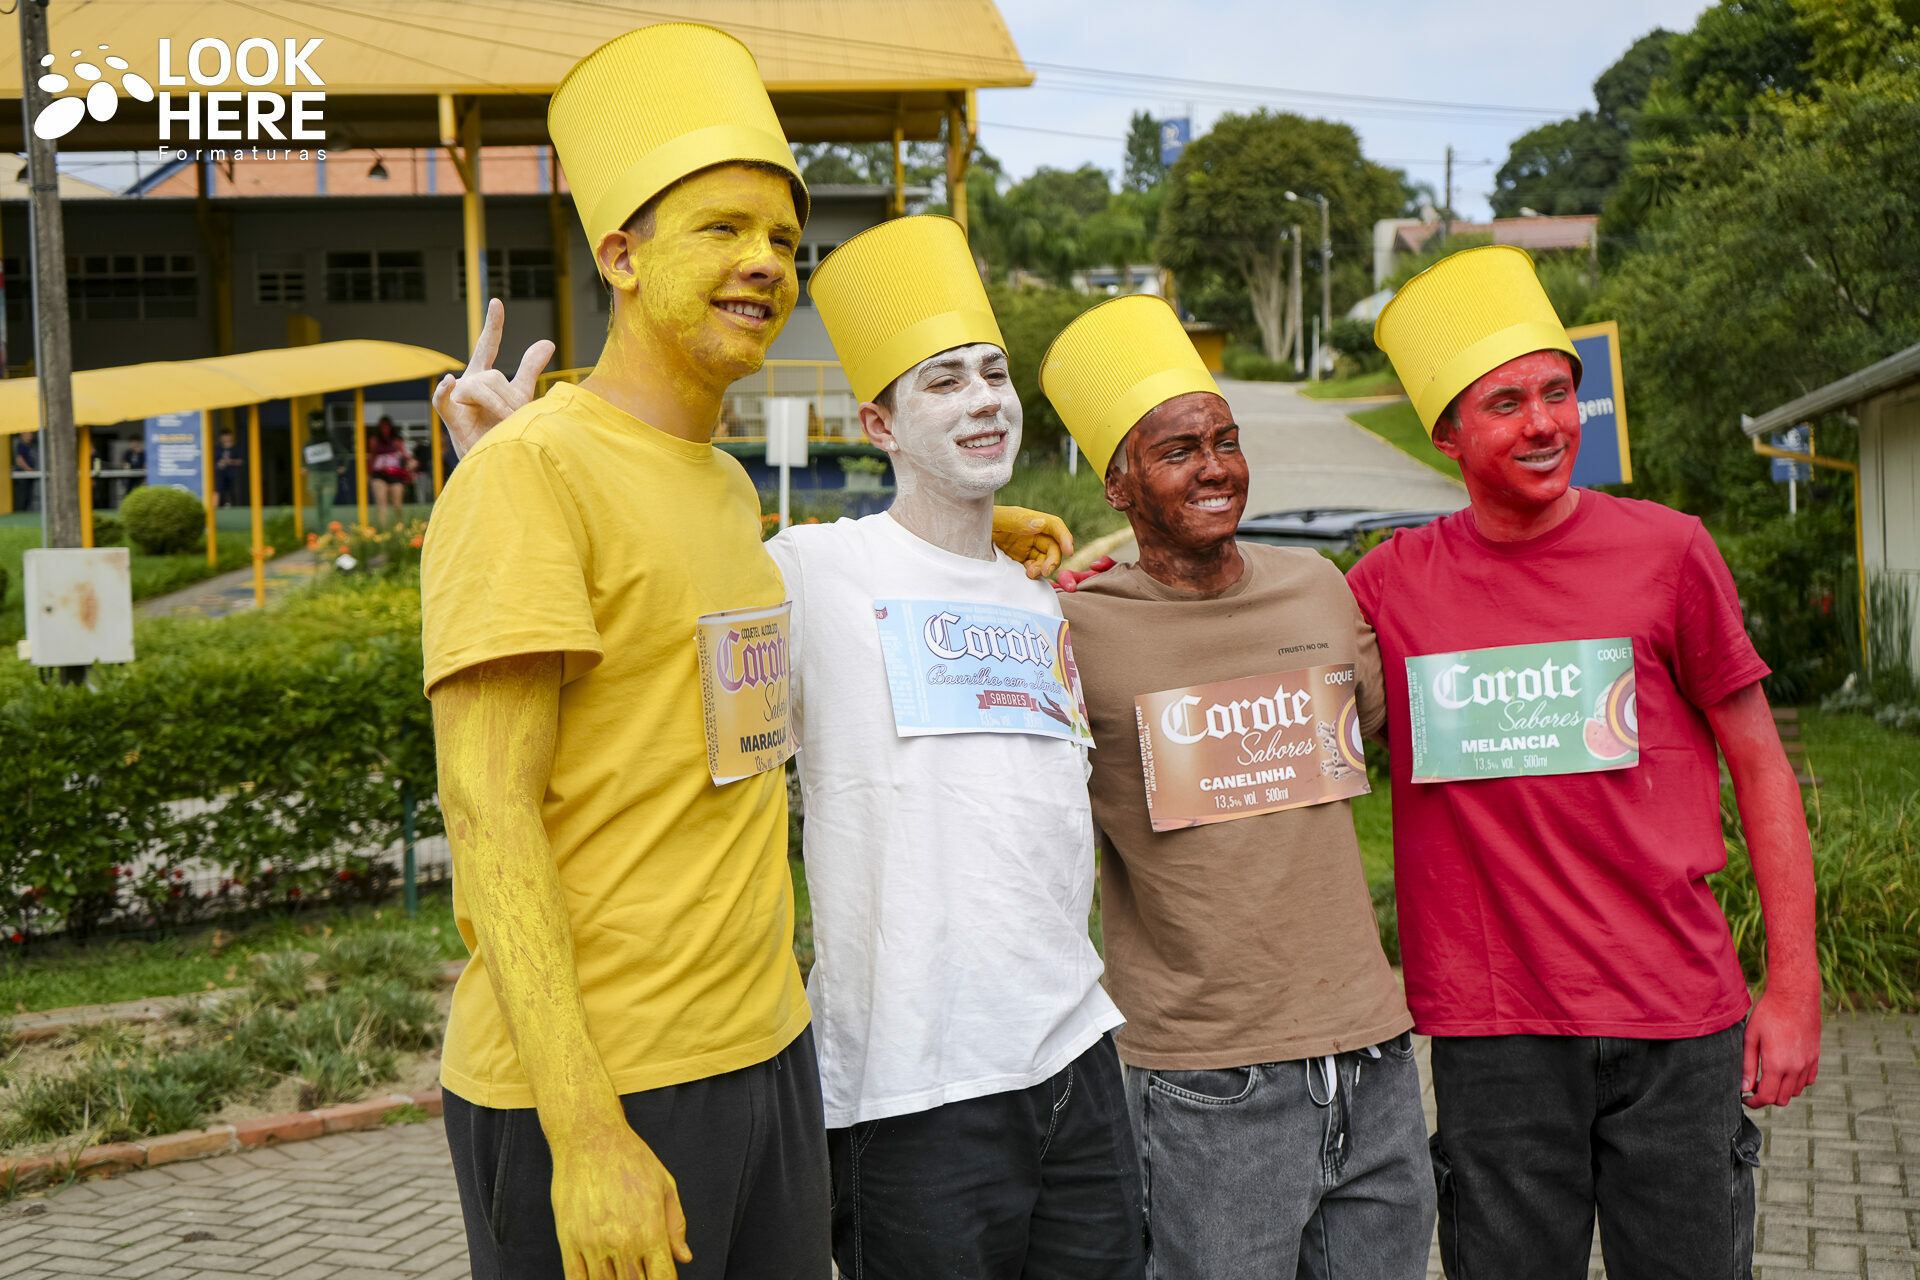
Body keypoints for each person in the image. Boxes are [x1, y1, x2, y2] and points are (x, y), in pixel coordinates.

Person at [421, 25, 832, 1280]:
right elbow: (487, 809)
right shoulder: (529, 472)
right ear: (622, 254)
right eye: (724, 228)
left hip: (765, 1047)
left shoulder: (723, 486)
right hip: (601, 1090)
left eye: (785, 241)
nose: (766, 262)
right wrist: (586, 1131)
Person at [1349, 245, 1820, 1279]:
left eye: (1558, 394)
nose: (1544, 424)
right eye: (1506, 402)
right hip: (1495, 1034)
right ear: (1446, 434)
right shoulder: (1391, 585)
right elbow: (1246, 637)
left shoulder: (1670, 551)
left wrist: (1793, 986)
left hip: (1677, 1020)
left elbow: (1762, 767)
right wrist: (1093, 582)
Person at [1042, 295, 1436, 1278]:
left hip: (1375, 1056)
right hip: (1207, 1081)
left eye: (1226, 440)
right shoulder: (1073, 631)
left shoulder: (1317, 588)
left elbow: (1406, 739)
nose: (1215, 467)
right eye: (1179, 451)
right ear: (1118, 483)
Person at [776, 215, 1140, 1278]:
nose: (985, 398)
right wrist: (506, 467)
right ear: (878, 425)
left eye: (995, 374)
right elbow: (652, 595)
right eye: (944, 382)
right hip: (909, 1087)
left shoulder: (1040, 600)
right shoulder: (813, 569)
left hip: (1076, 1055)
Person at [369, 418, 413, 526]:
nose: (385, 429)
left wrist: (411, 463)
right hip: (379, 474)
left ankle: (398, 526)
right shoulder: (375, 440)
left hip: (394, 474)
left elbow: (405, 454)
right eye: (383, 427)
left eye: (387, 426)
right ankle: (383, 527)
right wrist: (368, 474)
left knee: (397, 503)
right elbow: (372, 457)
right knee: (381, 502)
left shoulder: (396, 441)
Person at [214, 429, 245, 508]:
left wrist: (229, 461)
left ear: (231, 437)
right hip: (219, 473)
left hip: (233, 473)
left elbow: (241, 461)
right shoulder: (217, 449)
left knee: (231, 490)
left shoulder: (236, 449)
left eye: (228, 436)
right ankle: (216, 506)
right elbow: (212, 461)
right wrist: (220, 463)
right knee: (218, 489)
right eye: (224, 436)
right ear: (220, 438)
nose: (226, 438)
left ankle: (232, 505)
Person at [11, 430, 36, 512]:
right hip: (23, 474)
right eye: (28, 434)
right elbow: (19, 459)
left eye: (31, 434)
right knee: (23, 495)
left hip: (29, 474)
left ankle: (26, 511)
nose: (30, 435)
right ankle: (21, 512)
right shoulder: (21, 445)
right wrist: (28, 469)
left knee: (29, 495)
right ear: (23, 435)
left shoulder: (30, 445)